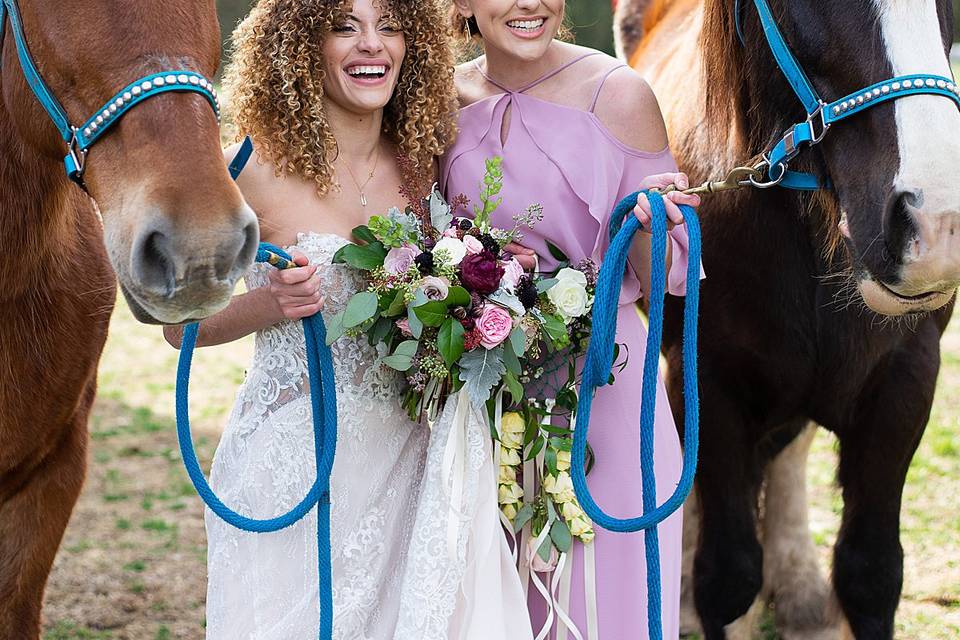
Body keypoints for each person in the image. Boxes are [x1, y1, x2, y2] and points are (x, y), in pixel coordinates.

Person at [162, 0, 468, 637]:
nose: (371, 46)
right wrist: (263, 305)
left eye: (389, 26)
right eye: (344, 27)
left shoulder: (428, 165)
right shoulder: (243, 170)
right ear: (302, 46)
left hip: (412, 466)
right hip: (293, 471)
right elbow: (178, 327)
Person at [440, 1, 703, 638]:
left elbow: (661, 275)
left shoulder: (619, 94)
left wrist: (655, 222)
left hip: (606, 390)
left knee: (610, 603)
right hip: (481, 400)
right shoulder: (437, 100)